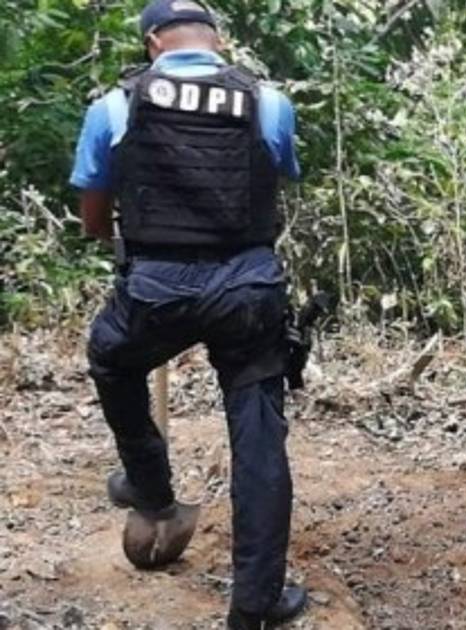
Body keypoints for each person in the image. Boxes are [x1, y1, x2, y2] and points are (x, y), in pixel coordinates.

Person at [69, 1, 306, 626]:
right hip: (248, 288)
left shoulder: (115, 106)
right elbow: (279, 174)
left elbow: (93, 215)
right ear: (218, 41)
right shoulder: (267, 101)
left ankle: (151, 490)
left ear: (152, 43)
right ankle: (255, 606)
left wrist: (128, 239)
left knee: (111, 357)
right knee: (259, 439)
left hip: (156, 288)